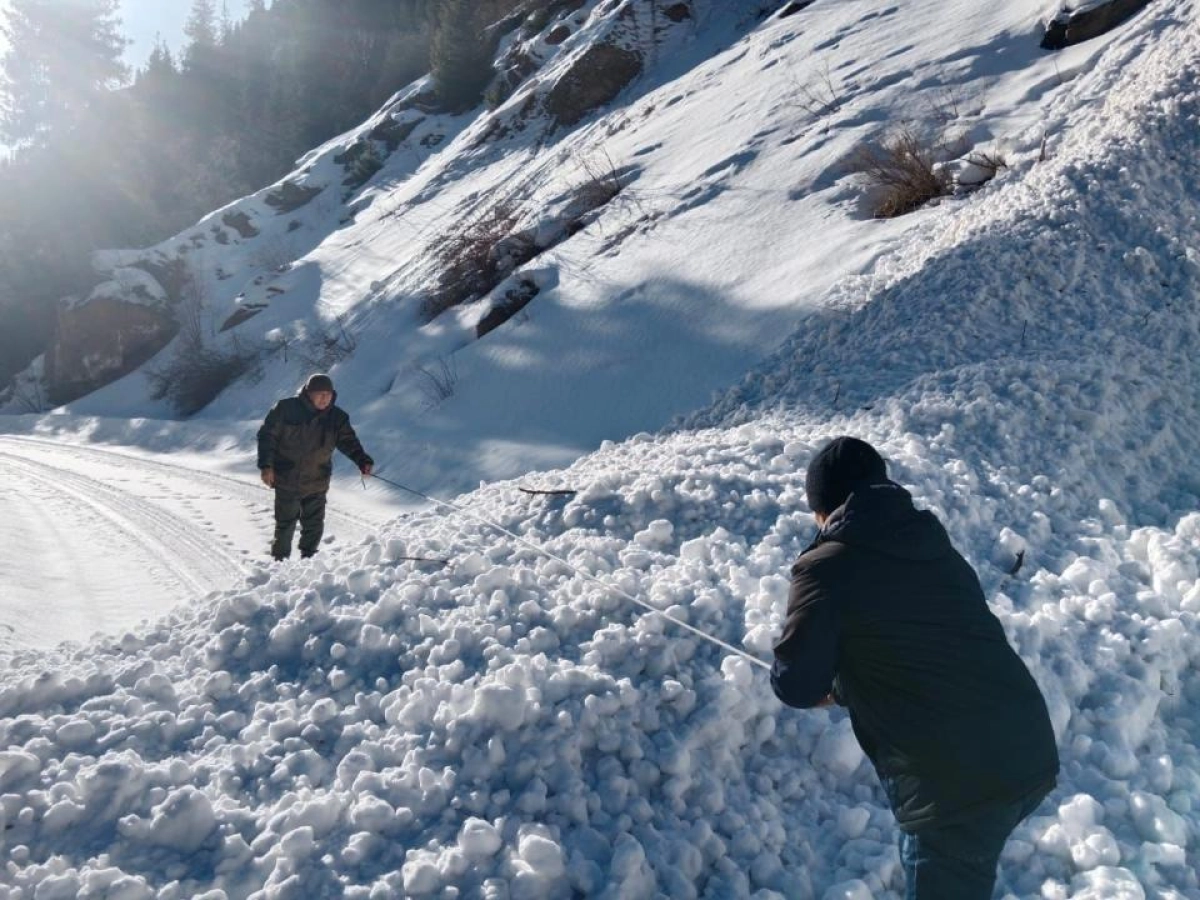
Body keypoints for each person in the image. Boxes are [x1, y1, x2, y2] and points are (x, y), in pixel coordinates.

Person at [771, 436, 1059, 900]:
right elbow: (920, 644)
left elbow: (798, 684)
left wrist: (828, 682)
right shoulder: (928, 539)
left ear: (822, 509)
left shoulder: (824, 566)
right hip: (1026, 747)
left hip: (955, 788)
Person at [256, 373, 374, 561]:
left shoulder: (337, 417)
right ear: (308, 393)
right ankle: (279, 561)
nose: (324, 399)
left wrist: (363, 461)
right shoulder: (286, 409)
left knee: (314, 524)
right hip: (287, 478)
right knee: (286, 523)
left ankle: (309, 560)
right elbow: (267, 437)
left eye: (328, 394)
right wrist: (266, 466)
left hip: (318, 479)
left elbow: (348, 442)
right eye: (320, 394)